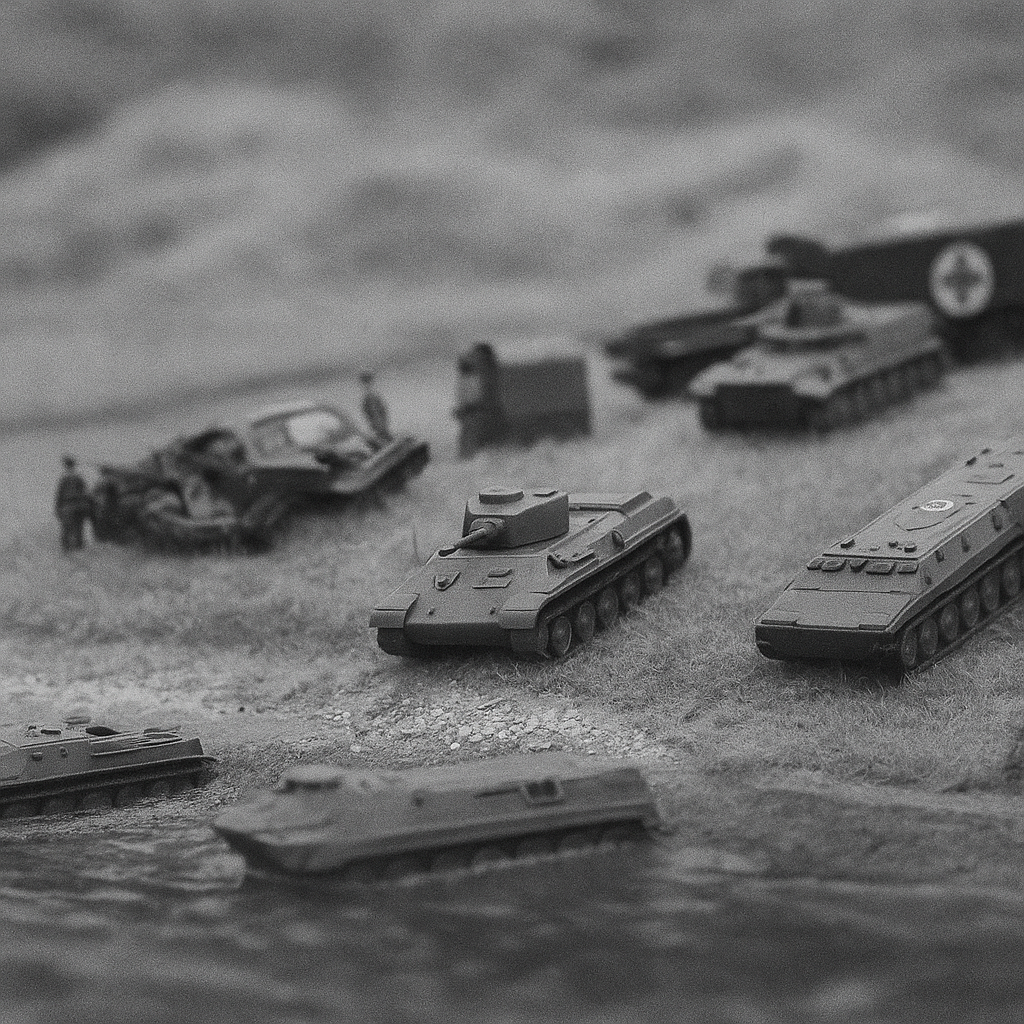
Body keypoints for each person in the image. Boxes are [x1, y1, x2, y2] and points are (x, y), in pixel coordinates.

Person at [54, 455, 90, 552]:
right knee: (79, 528)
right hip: (80, 505)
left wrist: (57, 508)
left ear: (65, 465)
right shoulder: (79, 477)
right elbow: (85, 492)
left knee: (66, 529)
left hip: (68, 506)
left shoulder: (64, 478)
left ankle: (67, 550)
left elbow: (59, 495)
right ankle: (79, 548)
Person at [359, 371, 393, 447]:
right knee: (383, 437)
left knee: (384, 437)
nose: (368, 385)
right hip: (378, 424)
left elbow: (381, 411)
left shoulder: (372, 396)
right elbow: (371, 414)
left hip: (379, 424)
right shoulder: (369, 397)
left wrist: (380, 423)